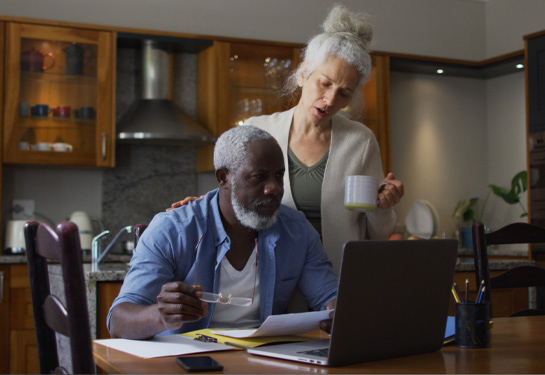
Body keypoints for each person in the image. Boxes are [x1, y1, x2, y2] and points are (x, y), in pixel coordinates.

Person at [171, 4, 404, 273]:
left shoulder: (360, 142)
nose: (330, 99)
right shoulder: (259, 131)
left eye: (344, 92)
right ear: (304, 74)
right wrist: (200, 208)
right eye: (325, 83)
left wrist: (383, 206)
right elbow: (235, 201)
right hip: (270, 280)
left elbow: (378, 234)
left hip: (338, 279)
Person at [108, 126, 337, 339]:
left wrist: (336, 311)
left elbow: (329, 297)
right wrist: (160, 315)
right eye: (260, 177)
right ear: (223, 177)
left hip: (263, 358)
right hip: (186, 361)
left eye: (279, 176)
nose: (274, 188)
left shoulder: (296, 230)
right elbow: (118, 321)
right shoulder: (173, 229)